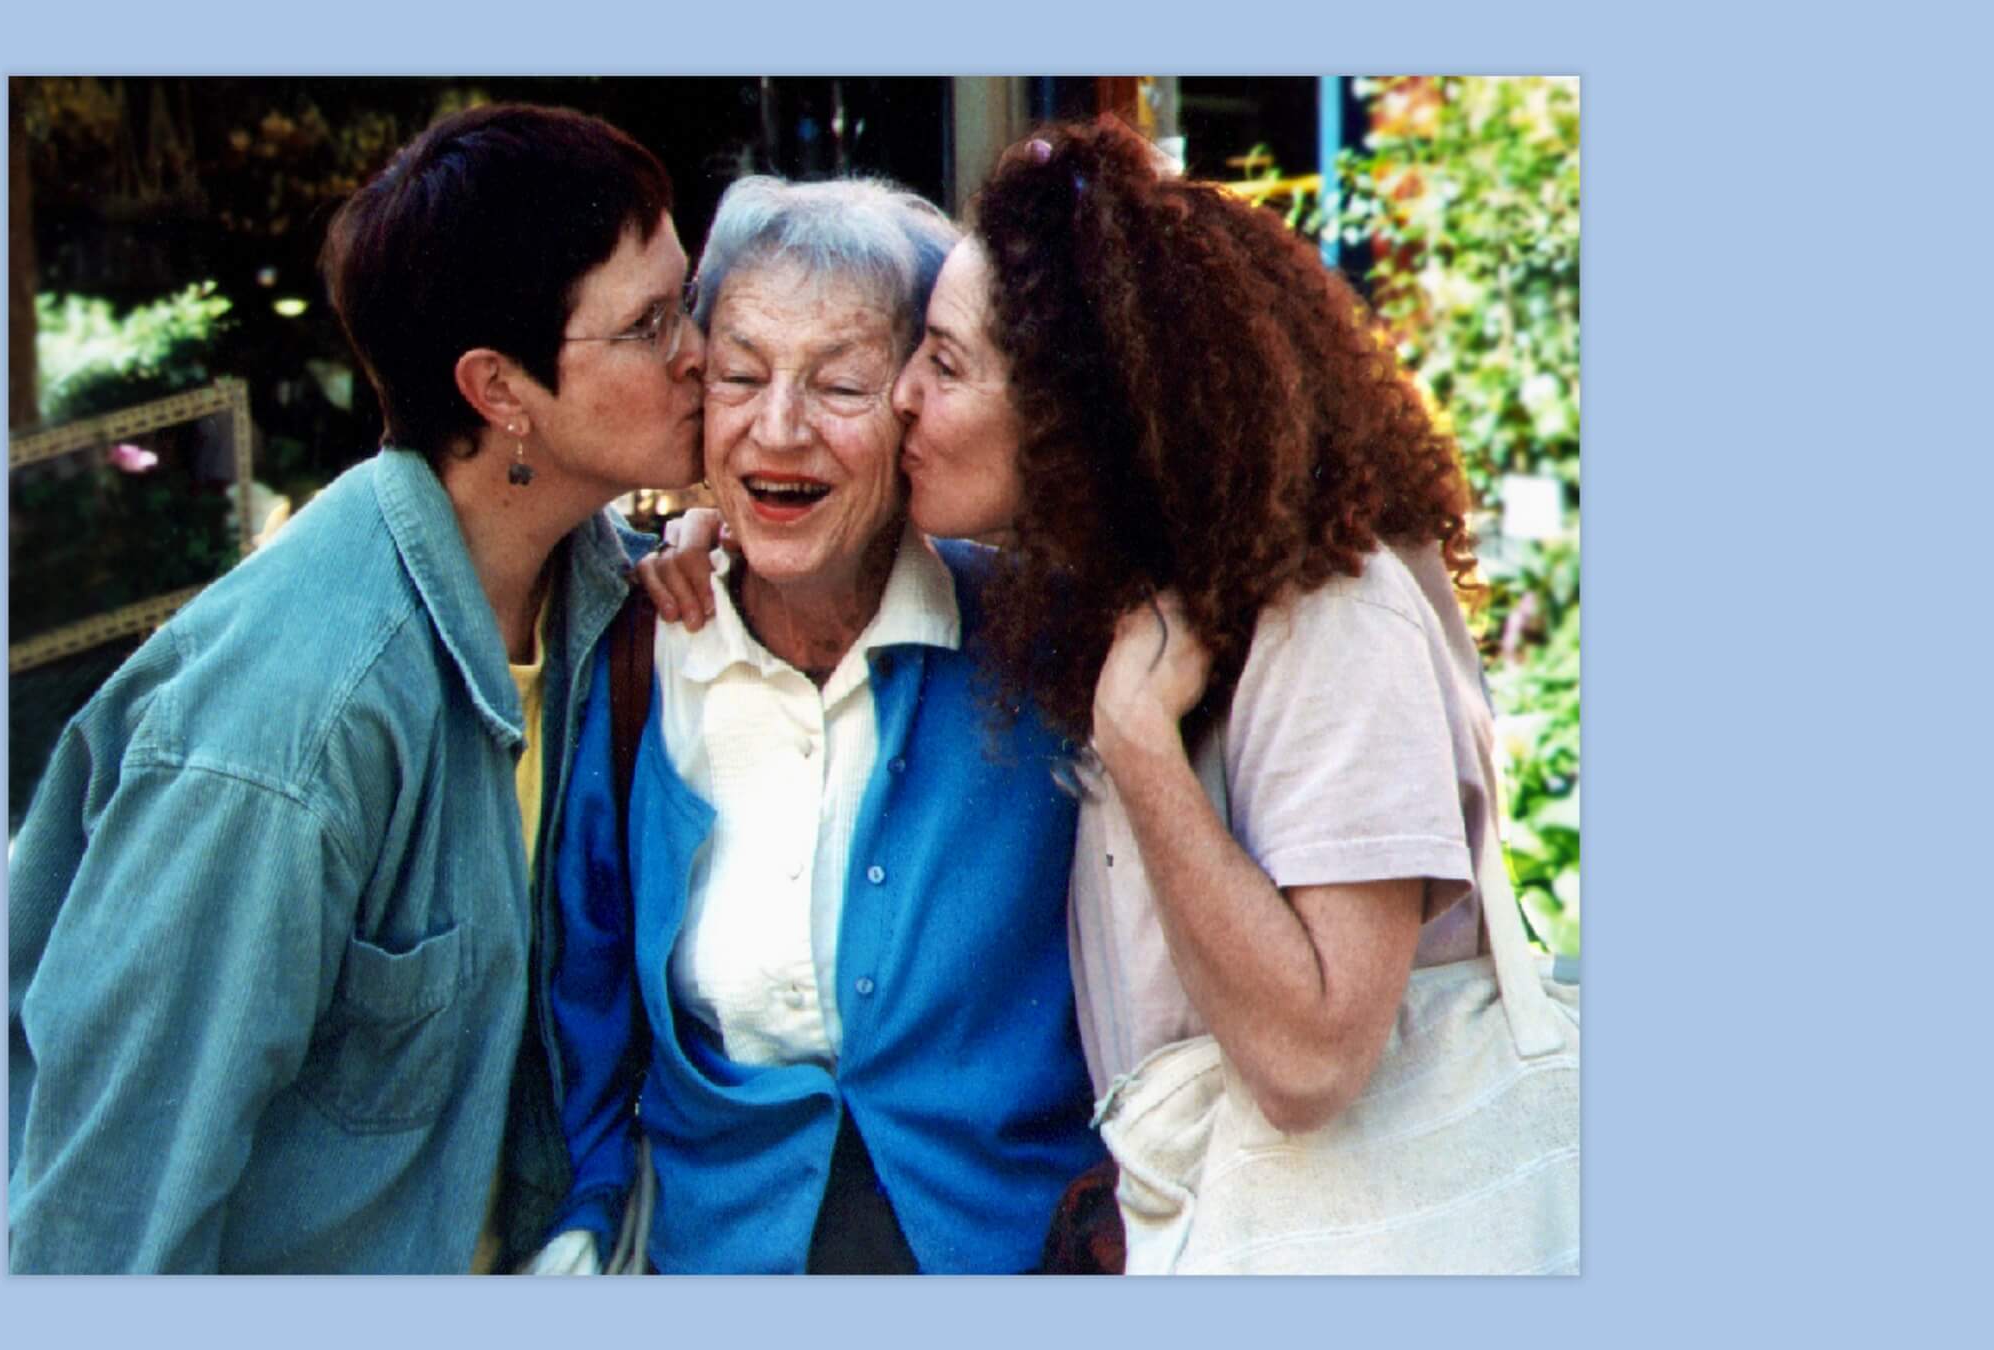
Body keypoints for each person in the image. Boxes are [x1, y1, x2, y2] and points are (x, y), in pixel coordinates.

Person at [646, 117, 1508, 1273]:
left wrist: (1139, 745)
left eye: (941, 365)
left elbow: (1312, 1062)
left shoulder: (1329, 611)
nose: (898, 399)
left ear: (1074, 412)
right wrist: (704, 535)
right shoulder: (1110, 599)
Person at [7, 103, 706, 1273]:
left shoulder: (598, 591)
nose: (700, 349)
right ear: (498, 390)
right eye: (650, 324)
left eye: (686, 295)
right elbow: (103, 1231)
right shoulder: (281, 735)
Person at [534, 175, 1103, 1276]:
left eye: (840, 384)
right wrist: (584, 1221)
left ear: (915, 408)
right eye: (740, 376)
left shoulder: (1043, 643)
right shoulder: (646, 655)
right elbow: (586, 1002)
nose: (777, 428)